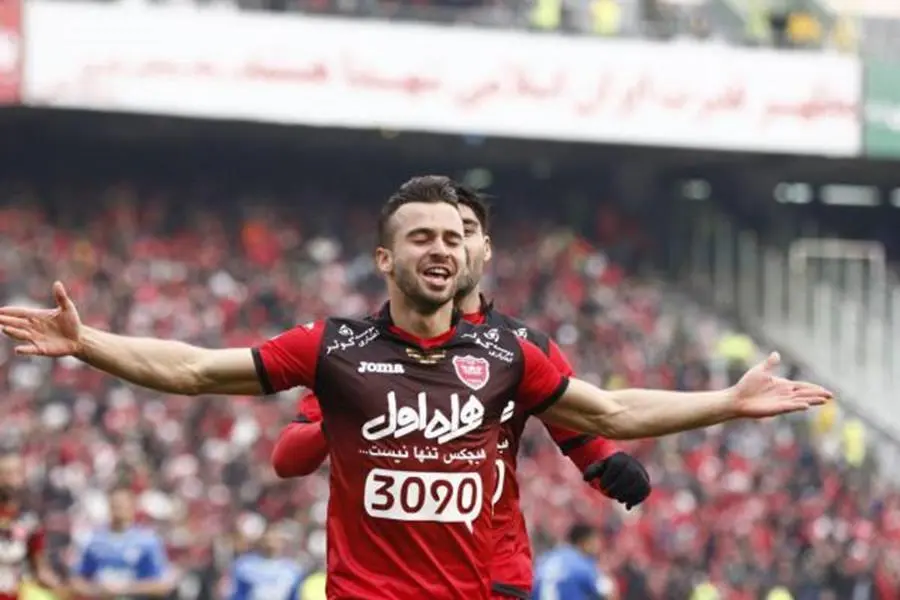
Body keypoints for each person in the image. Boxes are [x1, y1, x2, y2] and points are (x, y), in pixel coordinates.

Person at [0, 175, 831, 600]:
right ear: (385, 259)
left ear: (471, 256)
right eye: (421, 237)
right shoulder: (334, 347)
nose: (441, 249)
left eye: (452, 238)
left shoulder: (508, 353)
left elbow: (609, 411)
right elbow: (193, 370)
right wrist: (88, 344)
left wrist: (728, 403)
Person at [271, 185, 652, 600]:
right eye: (429, 237)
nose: (447, 247)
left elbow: (587, 435)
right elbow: (288, 457)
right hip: (394, 578)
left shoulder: (522, 349)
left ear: (484, 248)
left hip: (496, 572)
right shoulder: (362, 351)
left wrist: (611, 466)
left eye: (461, 233)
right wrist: (344, 419)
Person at [69, 486, 175, 599]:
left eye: (122, 505)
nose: (118, 509)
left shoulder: (147, 541)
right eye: (115, 504)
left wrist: (126, 589)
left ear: (132, 507)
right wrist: (97, 590)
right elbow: (77, 581)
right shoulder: (94, 540)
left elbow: (162, 585)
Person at [0, 453, 63, 600]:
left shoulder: (30, 518)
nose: (11, 479)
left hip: (18, 587)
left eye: (16, 473)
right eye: (5, 473)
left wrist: (57, 585)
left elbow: (39, 562)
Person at [532, 523, 616, 600]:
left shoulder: (545, 559)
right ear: (584, 542)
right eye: (594, 542)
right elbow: (606, 592)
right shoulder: (581, 563)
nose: (597, 546)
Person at [226, 526, 304, 600]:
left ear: (281, 543)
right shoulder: (245, 565)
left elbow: (294, 596)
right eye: (268, 540)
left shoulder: (291, 569)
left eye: (275, 540)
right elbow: (238, 594)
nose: (271, 544)